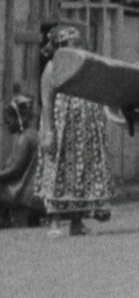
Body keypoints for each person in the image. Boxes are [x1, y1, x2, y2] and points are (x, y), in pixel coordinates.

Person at [35, 23, 116, 237]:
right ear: (60, 46)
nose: (77, 48)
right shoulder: (52, 68)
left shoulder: (85, 66)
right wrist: (48, 131)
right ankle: (53, 221)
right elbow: (46, 102)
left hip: (84, 132)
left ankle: (77, 222)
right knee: (58, 170)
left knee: (82, 173)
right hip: (62, 130)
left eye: (79, 44)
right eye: (72, 44)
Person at [0, 95, 43, 225]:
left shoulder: (24, 139)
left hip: (25, 192)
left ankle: (3, 220)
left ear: (19, 118)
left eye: (8, 120)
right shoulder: (32, 134)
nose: (5, 124)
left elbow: (15, 171)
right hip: (35, 189)